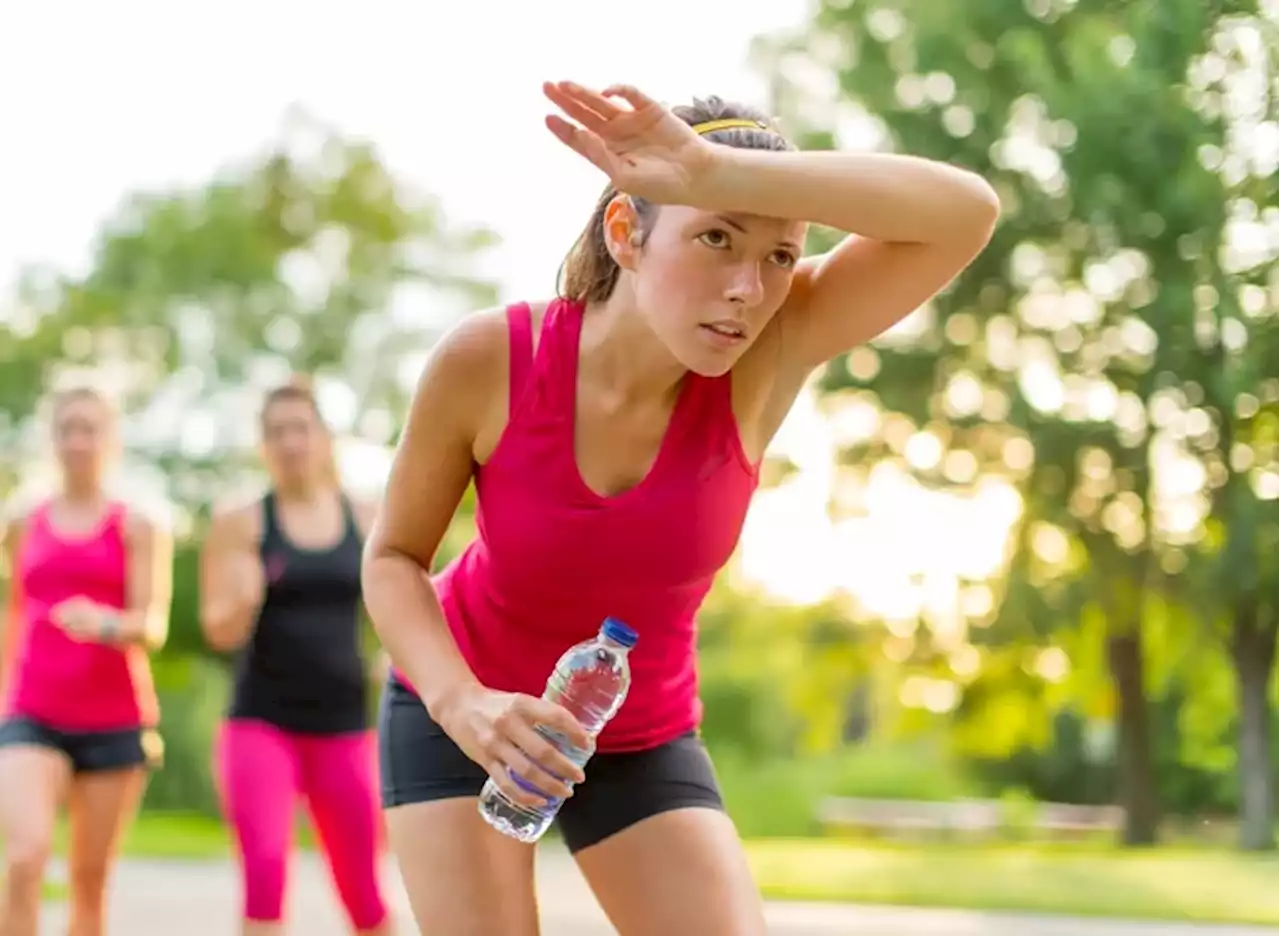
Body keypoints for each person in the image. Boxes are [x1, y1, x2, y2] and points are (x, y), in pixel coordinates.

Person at [365, 80, 1001, 935]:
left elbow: (964, 213)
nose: (749, 288)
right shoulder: (492, 359)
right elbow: (394, 558)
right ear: (625, 233)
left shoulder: (775, 349)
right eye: (714, 238)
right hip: (465, 712)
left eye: (780, 256)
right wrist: (462, 703)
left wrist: (714, 174)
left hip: (639, 735)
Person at [199, 379, 391, 936]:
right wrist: (242, 599)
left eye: (300, 429)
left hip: (344, 725)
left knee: (364, 894)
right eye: (276, 432)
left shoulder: (365, 515)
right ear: (264, 445)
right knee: (264, 884)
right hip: (262, 724)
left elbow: (400, 605)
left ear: (324, 438)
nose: (289, 442)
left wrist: (396, 659)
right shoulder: (242, 521)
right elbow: (218, 630)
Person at [0, 387, 172, 936]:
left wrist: (105, 622)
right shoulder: (23, 520)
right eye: (67, 427)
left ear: (111, 440)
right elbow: (14, 616)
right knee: (25, 857)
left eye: (90, 428)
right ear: (52, 438)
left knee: (89, 880)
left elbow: (153, 625)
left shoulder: (138, 524)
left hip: (114, 719)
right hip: (32, 712)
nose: (78, 440)